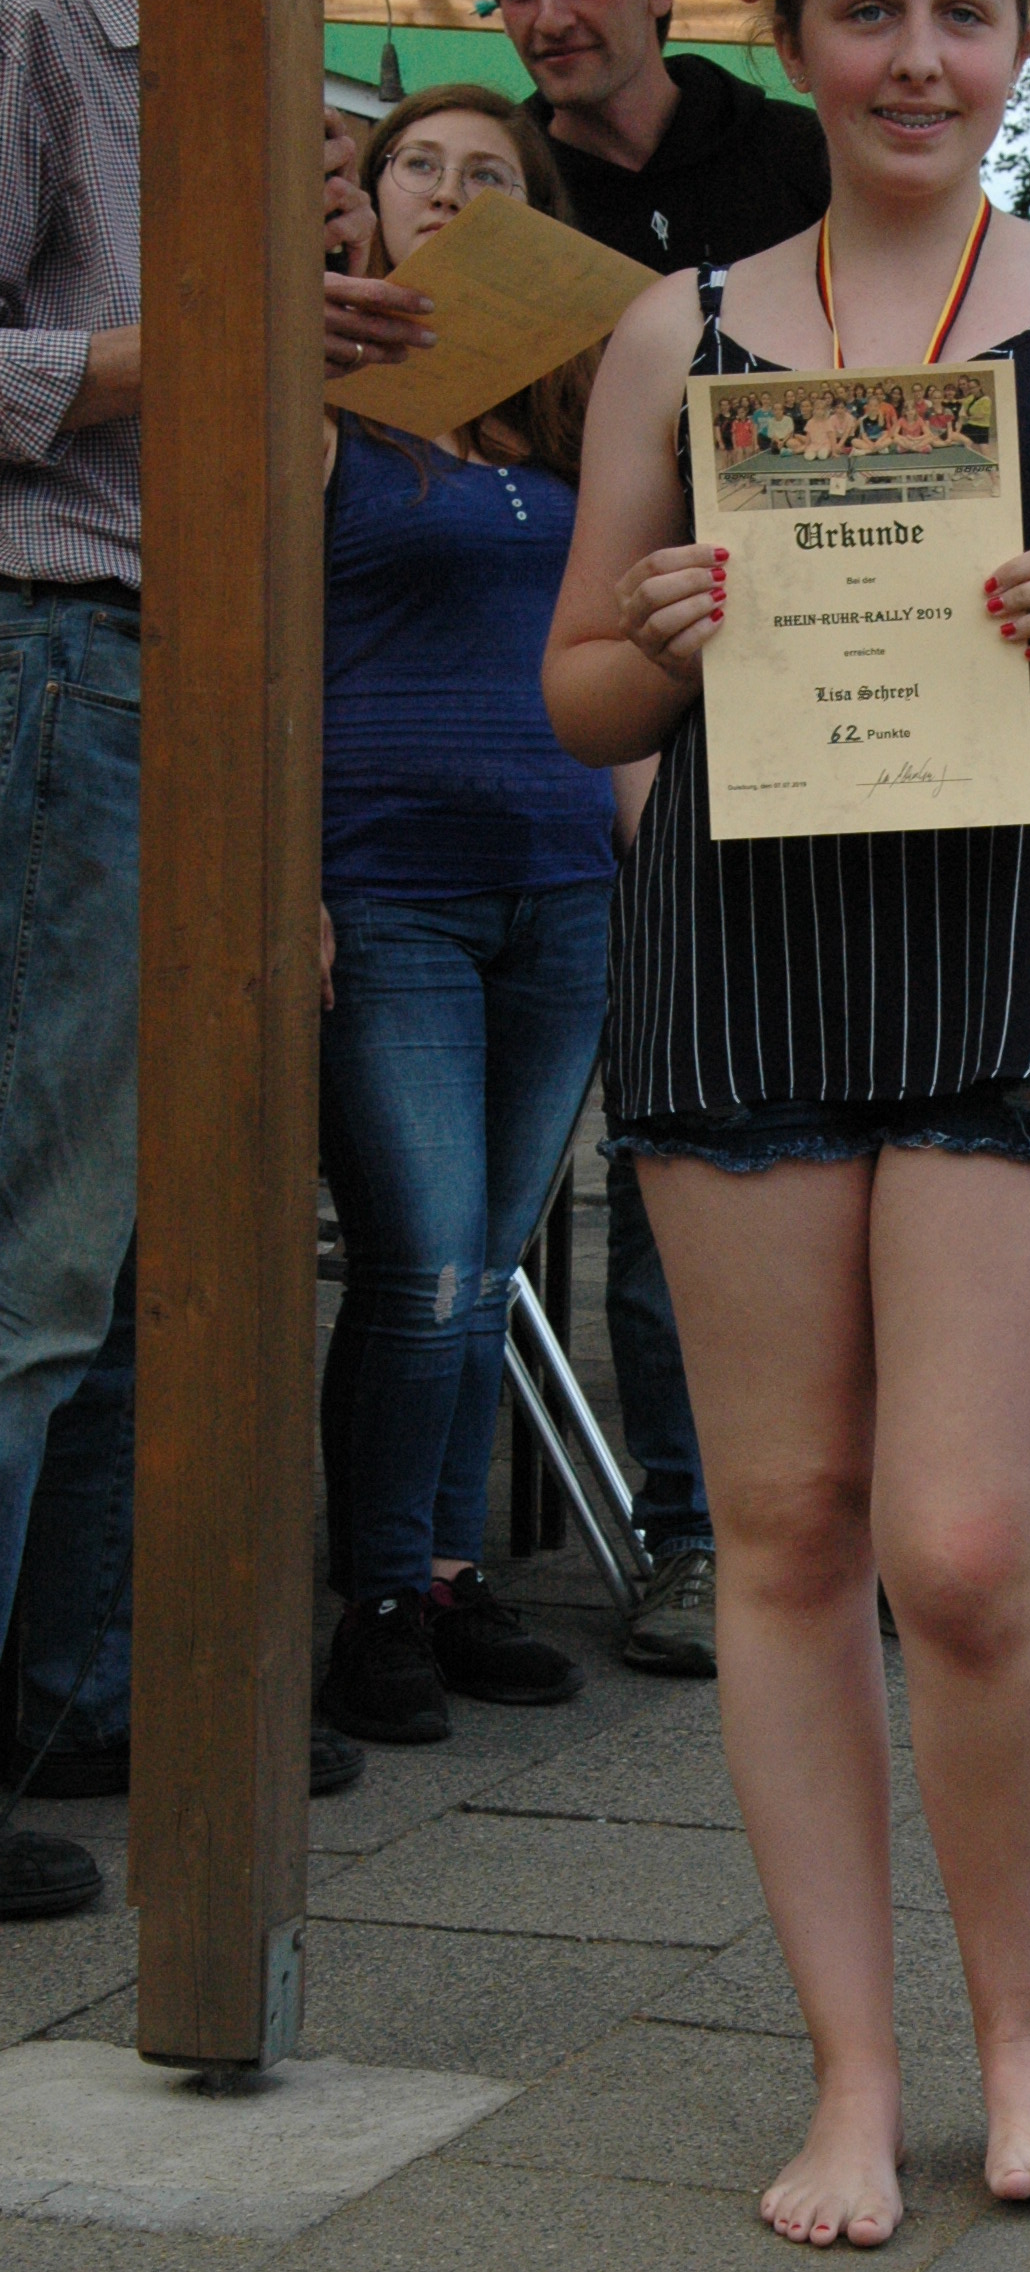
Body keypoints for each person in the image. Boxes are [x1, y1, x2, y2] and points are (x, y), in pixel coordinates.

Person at [544, 0, 1030, 2245]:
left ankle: (1021, 2034)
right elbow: (578, 694)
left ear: (1022, 41)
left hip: (1018, 961)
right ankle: (849, 2077)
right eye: (868, 9)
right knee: (782, 1530)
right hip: (743, 967)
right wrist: (660, 630)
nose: (916, 58)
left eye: (964, 11)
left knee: (958, 1544)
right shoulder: (677, 334)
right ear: (793, 33)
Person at [0, 0, 405, 1919]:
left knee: (157, 1238)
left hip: (198, 666)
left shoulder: (228, 72)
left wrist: (319, 339)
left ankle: (80, 1684)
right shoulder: (24, 25)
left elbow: (258, 430)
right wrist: (232, 323)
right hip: (62, 655)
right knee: (35, 1250)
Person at [475, 0, 835, 1677]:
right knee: (671, 1143)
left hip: (829, 688)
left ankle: (835, 1514)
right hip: (600, 706)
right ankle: (696, 1537)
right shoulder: (504, 196)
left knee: (832, 1132)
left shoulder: (789, 156)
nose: (549, 17)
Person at [314, 85, 641, 1749]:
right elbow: (250, 645)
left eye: (490, 173)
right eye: (419, 166)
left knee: (491, 1263)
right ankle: (375, 1595)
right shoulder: (321, 408)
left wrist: (662, 874)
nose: (449, 190)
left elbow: (625, 661)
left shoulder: (572, 432)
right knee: (426, 1260)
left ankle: (446, 1576)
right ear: (368, 204)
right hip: (386, 890)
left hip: (566, 886)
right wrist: (281, 878)